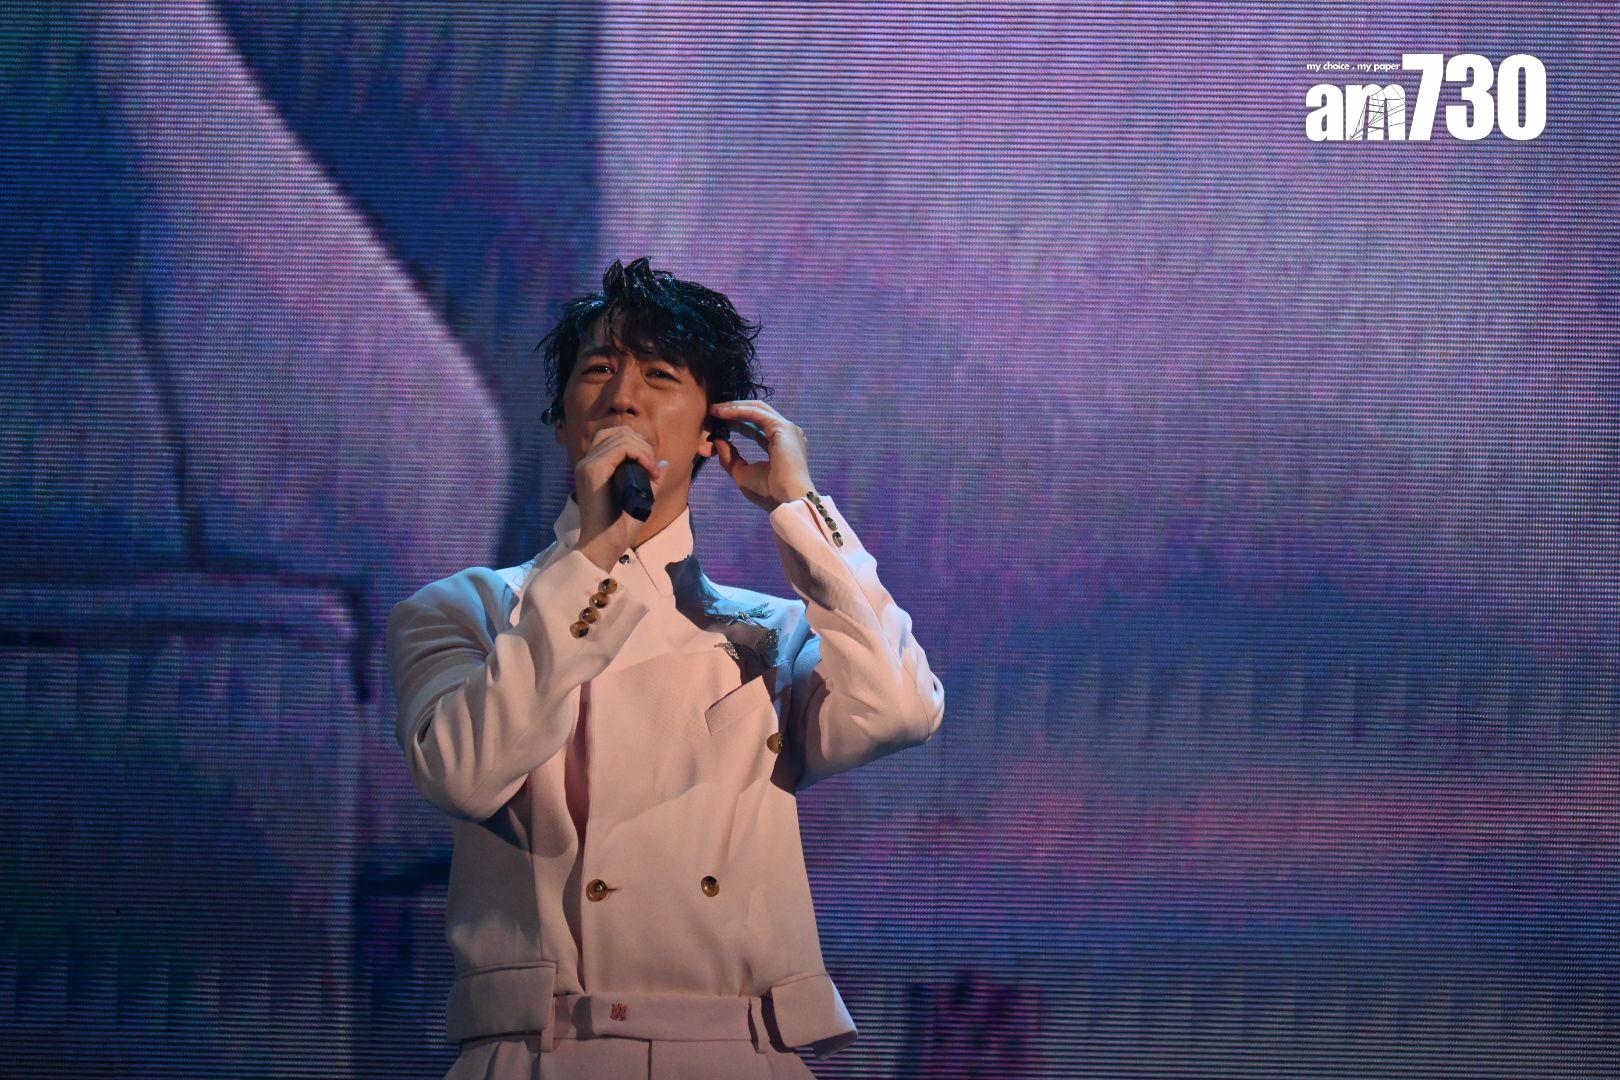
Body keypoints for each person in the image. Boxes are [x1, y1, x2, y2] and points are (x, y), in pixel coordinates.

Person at [386, 257, 945, 1079]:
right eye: (598, 370)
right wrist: (593, 559)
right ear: (560, 418)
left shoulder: (772, 632)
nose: (624, 396)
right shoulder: (460, 610)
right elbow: (464, 774)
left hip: (738, 1054)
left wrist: (800, 508)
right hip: (541, 1056)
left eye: (660, 375)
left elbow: (900, 708)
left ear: (713, 432)